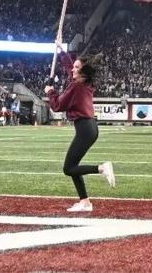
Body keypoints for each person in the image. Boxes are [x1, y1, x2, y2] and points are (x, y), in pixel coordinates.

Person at [45, 58, 115, 212]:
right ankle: (85, 202)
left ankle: (102, 168)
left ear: (82, 71)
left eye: (76, 68)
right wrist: (61, 51)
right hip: (90, 128)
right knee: (73, 166)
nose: (72, 70)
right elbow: (71, 66)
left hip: (85, 129)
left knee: (68, 168)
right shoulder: (85, 83)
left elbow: (57, 106)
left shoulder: (76, 85)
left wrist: (50, 92)